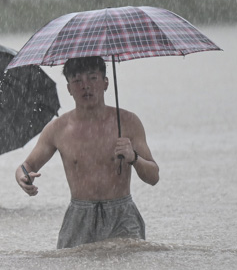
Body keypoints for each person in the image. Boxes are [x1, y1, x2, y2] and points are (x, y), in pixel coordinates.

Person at [15, 56, 160, 249]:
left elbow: (154, 176)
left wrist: (133, 157)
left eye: (92, 78)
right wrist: (24, 178)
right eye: (77, 81)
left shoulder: (128, 122)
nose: (85, 86)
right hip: (80, 215)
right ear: (69, 88)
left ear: (105, 82)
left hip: (121, 214)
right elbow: (26, 166)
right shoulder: (58, 129)